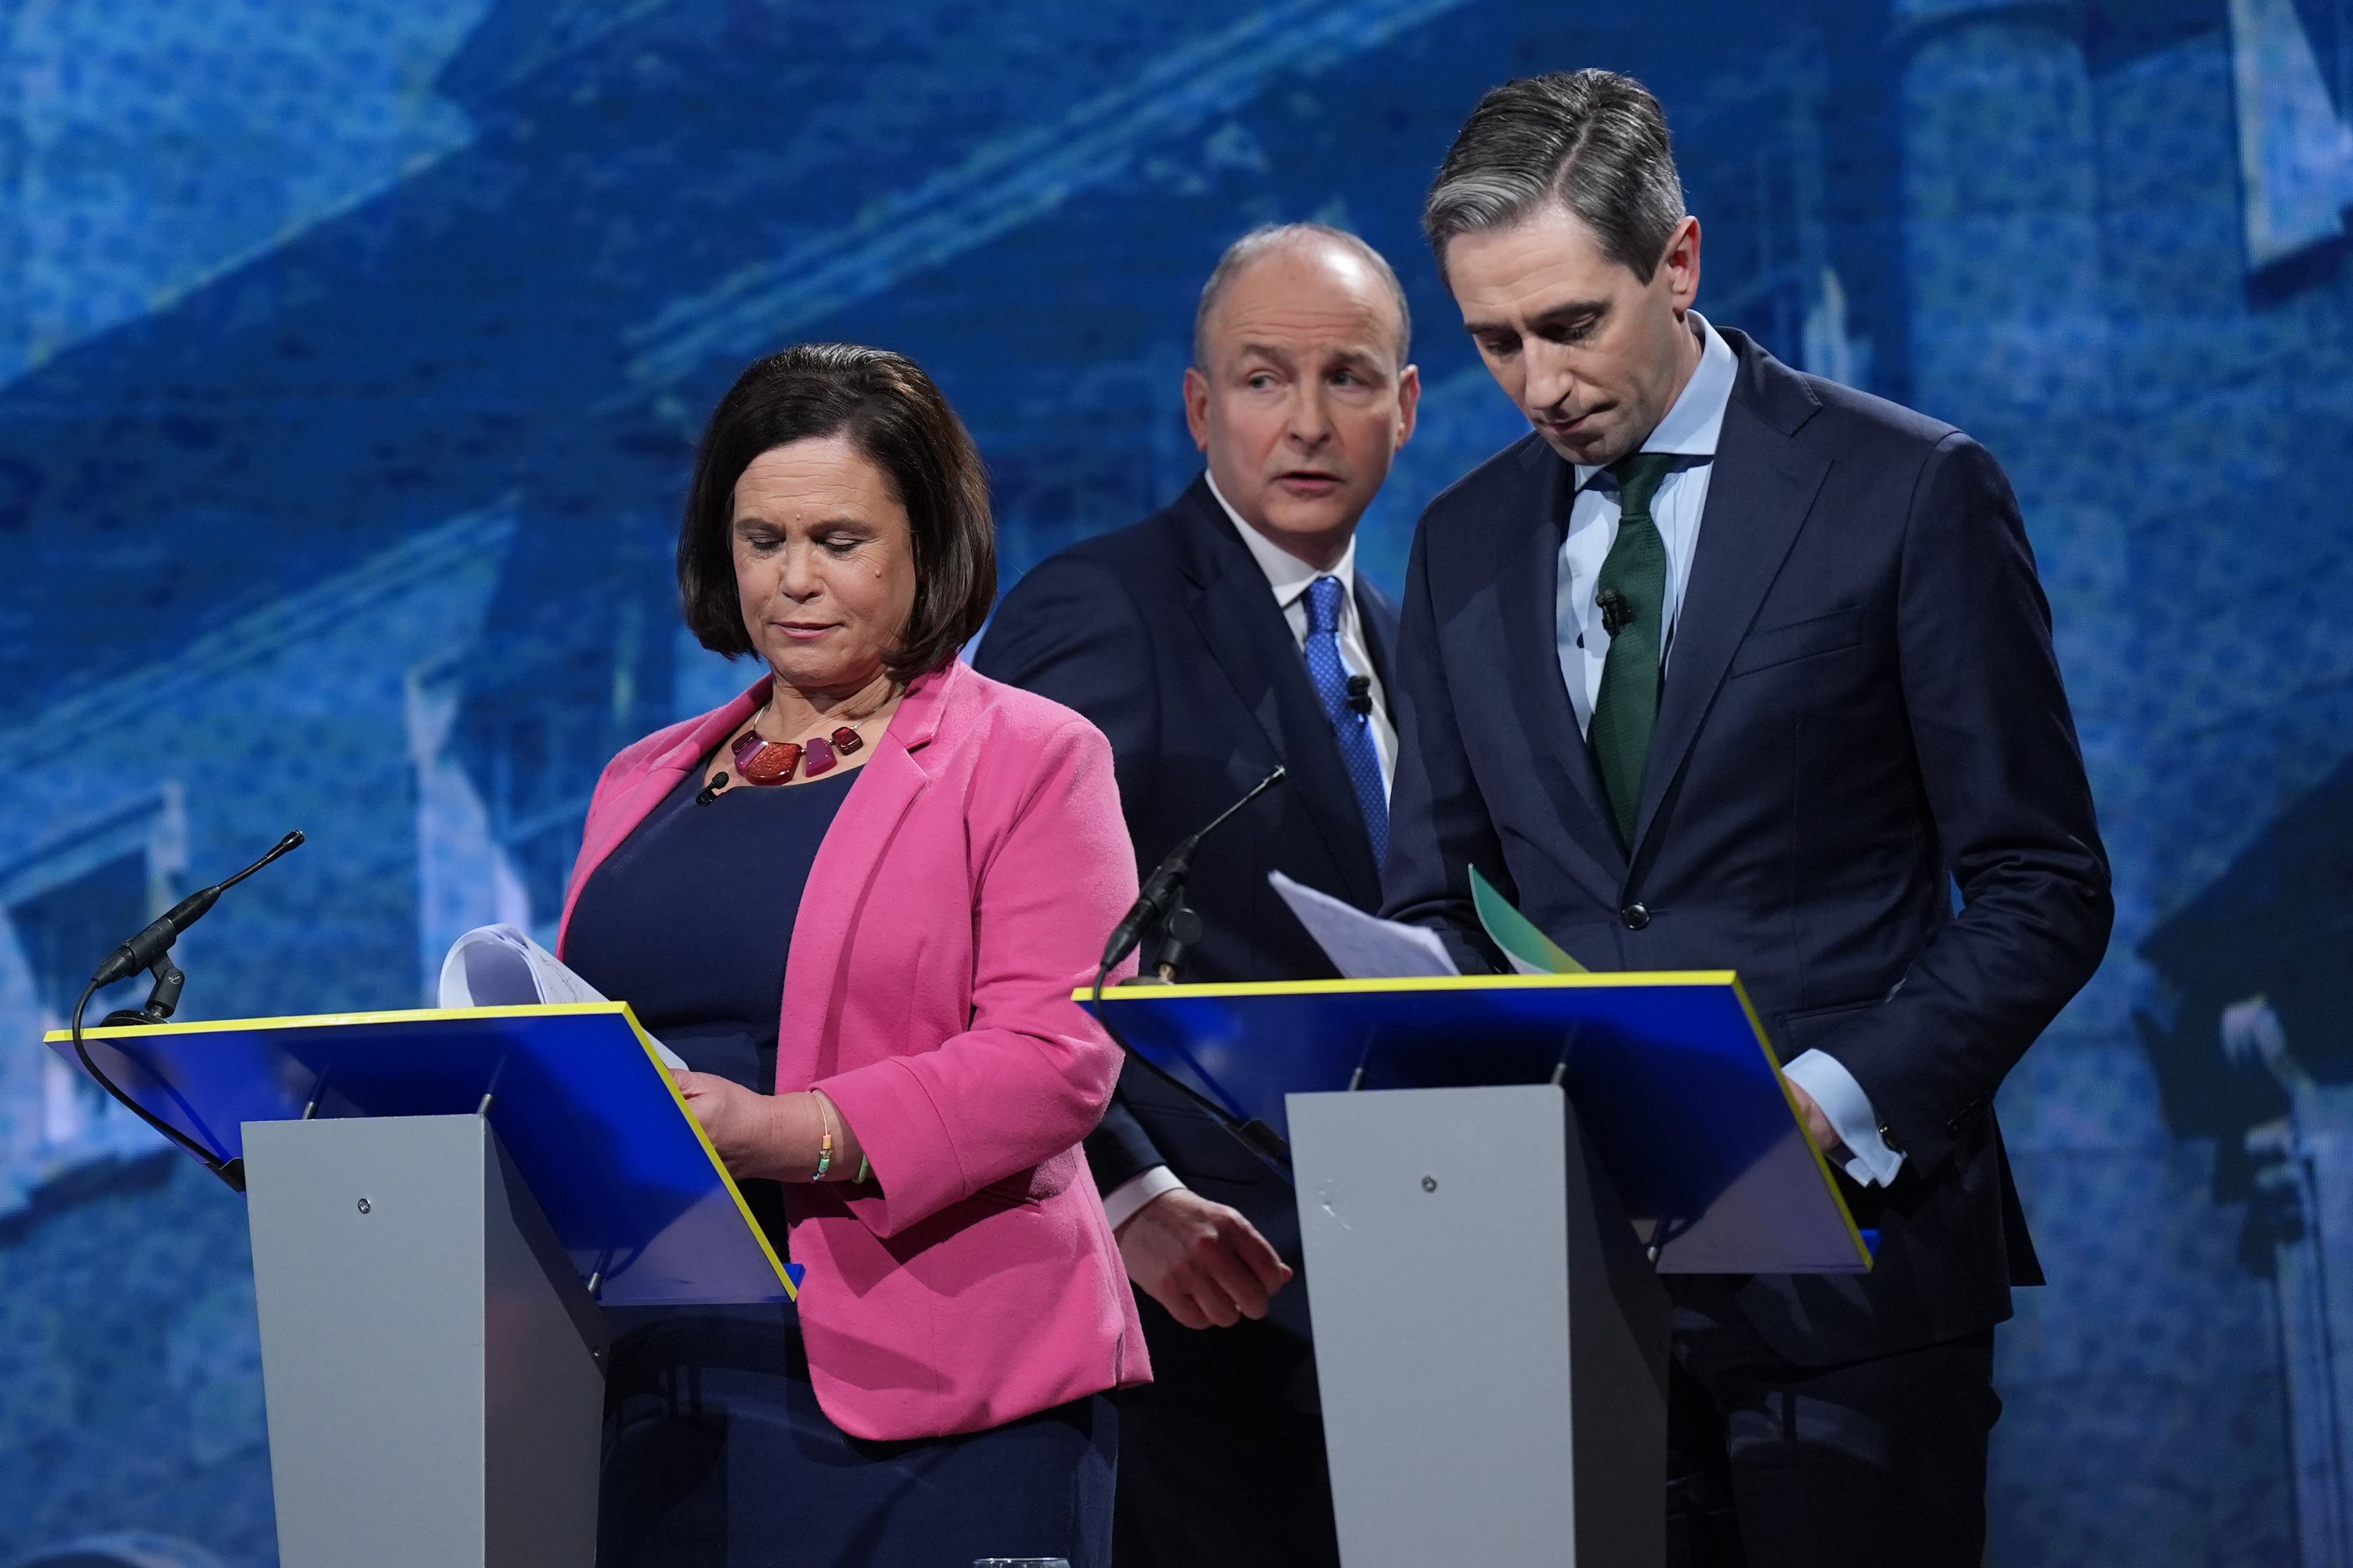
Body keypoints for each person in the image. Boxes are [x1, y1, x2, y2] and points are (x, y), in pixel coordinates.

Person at [1381, 72, 2113, 1567]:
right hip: (1571, 1288)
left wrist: (1824, 1103)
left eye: (1571, 324)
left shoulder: (1907, 489)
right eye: (1493, 342)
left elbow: (2044, 885)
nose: (1536, 384)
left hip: (1856, 1283)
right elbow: (1432, 899)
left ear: (1680, 261)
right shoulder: (1458, 540)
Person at [557, 343, 1149, 1568]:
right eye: (762, 540)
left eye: (839, 540)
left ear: (929, 545)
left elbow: (1059, 1058)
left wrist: (784, 1131)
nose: (794, 581)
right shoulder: (640, 780)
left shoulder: (1033, 757)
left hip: (934, 1390)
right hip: (658, 1382)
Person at [973, 223, 1420, 1568]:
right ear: (1198, 405)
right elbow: (999, 929)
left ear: (1403, 409)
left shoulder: (1413, 643)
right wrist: (1125, 1189)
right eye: (1262, 378)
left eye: (1346, 379)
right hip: (1196, 1300)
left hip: (1408, 1295)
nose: (1305, 422)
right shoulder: (1101, 607)